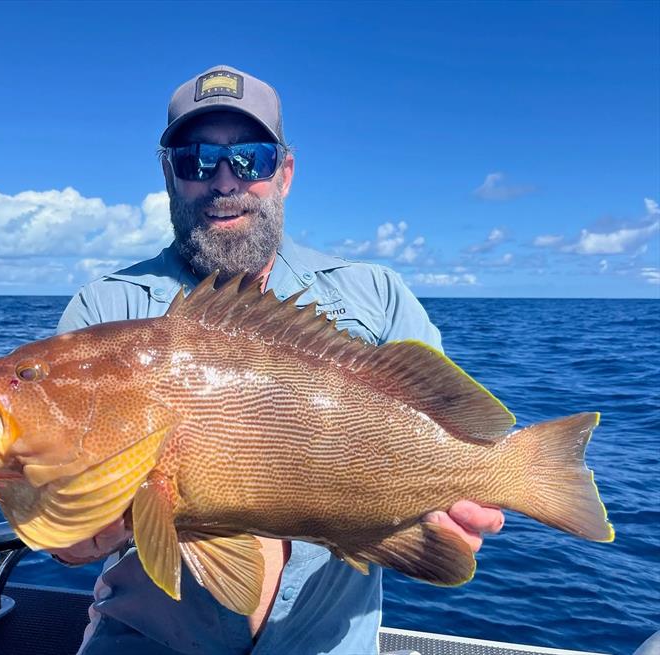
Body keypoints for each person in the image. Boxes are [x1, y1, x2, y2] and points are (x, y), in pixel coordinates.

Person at [51, 65, 505, 655]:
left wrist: (469, 499)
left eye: (250, 159)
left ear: (284, 173)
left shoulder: (376, 295)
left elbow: (461, 436)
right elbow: (67, 539)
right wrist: (73, 526)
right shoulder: (106, 313)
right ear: (169, 176)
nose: (223, 181)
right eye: (196, 160)